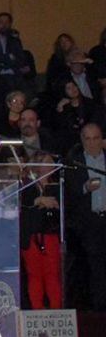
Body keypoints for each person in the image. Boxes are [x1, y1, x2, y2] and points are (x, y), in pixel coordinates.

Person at [65, 124, 106, 311]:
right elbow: (68, 193)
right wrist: (84, 188)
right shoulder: (75, 163)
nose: (92, 143)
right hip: (89, 221)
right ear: (82, 141)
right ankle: (98, 307)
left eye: (96, 138)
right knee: (94, 265)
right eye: (87, 139)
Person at [20, 151, 63, 310]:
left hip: (51, 234)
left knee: (52, 274)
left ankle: (56, 310)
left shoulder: (57, 186)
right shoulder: (26, 186)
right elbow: (21, 205)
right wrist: (38, 201)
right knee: (34, 275)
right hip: (31, 236)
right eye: (46, 162)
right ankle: (37, 309)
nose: (49, 166)